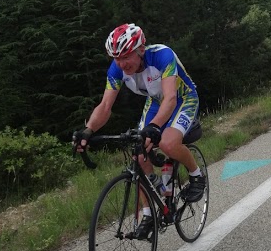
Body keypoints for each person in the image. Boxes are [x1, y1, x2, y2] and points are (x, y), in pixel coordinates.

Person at [73, 23, 206, 237]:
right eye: (116, 58)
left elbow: (171, 97)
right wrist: (88, 130)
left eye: (126, 56)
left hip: (183, 98)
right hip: (154, 102)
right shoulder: (116, 69)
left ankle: (196, 175)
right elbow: (106, 106)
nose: (121, 63)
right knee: (138, 151)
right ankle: (148, 214)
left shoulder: (162, 56)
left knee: (167, 143)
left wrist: (154, 127)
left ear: (140, 50)